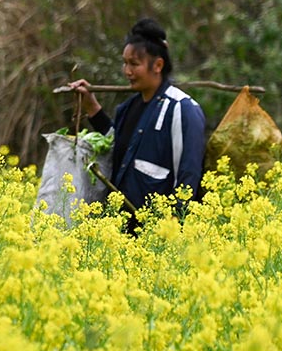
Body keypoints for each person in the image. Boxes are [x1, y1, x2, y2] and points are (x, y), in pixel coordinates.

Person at [68, 18, 206, 227]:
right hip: (122, 233)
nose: (127, 71)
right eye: (124, 63)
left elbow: (188, 176)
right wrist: (92, 107)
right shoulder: (128, 108)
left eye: (134, 64)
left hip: (158, 236)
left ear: (158, 65)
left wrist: (175, 231)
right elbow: (118, 147)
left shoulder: (181, 109)